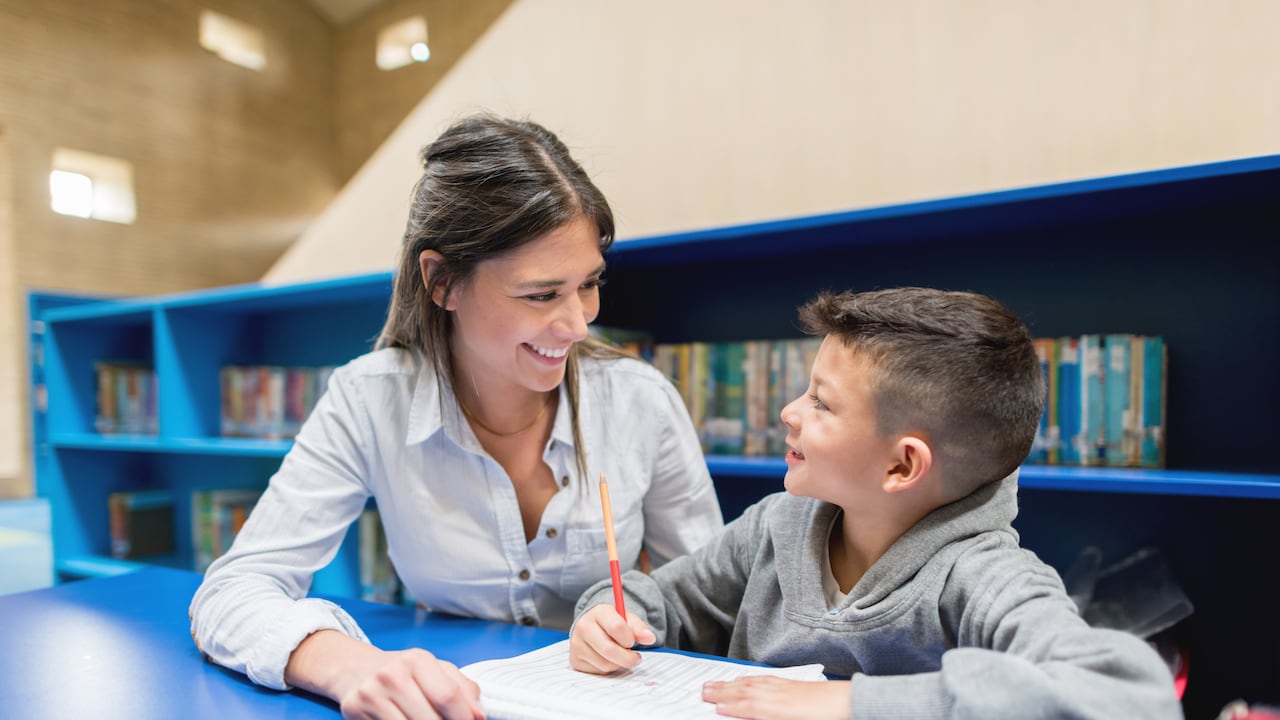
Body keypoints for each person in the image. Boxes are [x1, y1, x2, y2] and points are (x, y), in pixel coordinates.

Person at [189, 113, 724, 719]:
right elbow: (231, 592)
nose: (578, 325)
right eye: (541, 294)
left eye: (589, 285)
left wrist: (642, 625)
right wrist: (347, 665)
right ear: (442, 281)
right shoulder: (369, 399)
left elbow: (716, 596)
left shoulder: (640, 401)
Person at [570, 287, 1183, 720]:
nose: (788, 412)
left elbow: (1132, 699)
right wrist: (608, 616)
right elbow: (665, 602)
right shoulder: (774, 525)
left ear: (902, 466)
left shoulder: (986, 577)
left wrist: (851, 703)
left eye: (821, 403)